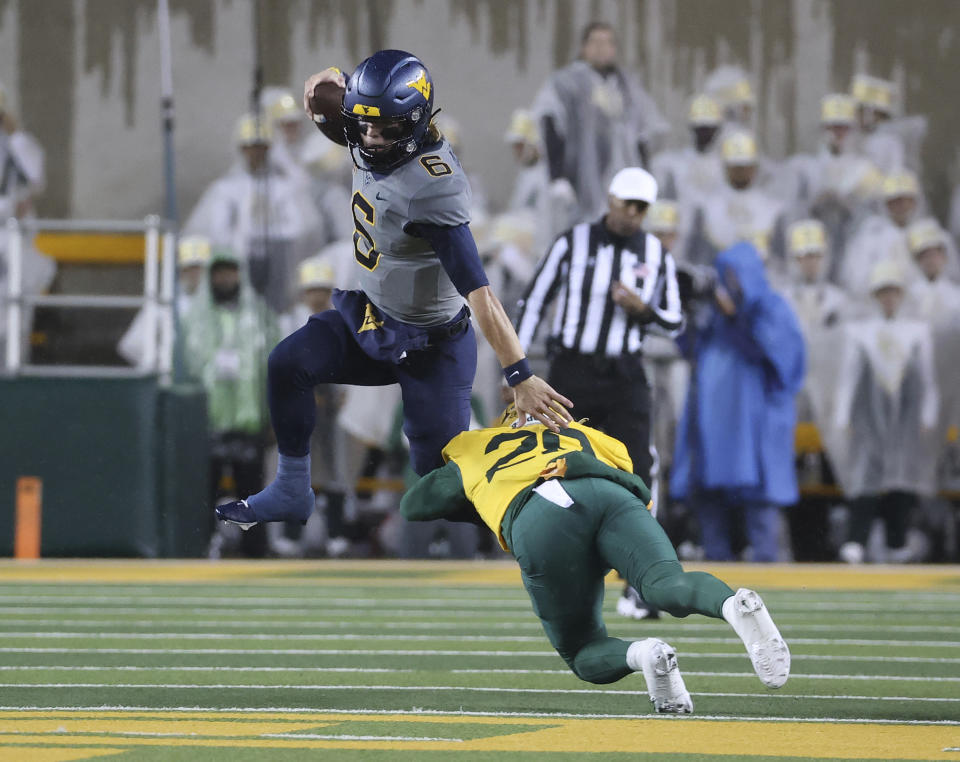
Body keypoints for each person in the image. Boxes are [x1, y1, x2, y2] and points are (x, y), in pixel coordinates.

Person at [216, 50, 572, 529]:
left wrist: (520, 374)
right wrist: (327, 79)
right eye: (364, 125)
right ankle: (292, 488)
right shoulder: (373, 126)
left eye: (384, 129)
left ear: (414, 122)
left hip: (433, 342)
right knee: (288, 363)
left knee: (435, 491)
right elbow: (333, 101)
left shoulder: (433, 188)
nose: (370, 138)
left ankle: (545, 515)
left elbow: (480, 292)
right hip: (373, 316)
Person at [399, 404, 791, 713]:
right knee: (665, 583)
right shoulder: (591, 436)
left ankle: (644, 654)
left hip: (538, 513)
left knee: (582, 651)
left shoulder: (478, 448)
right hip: (608, 495)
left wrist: (470, 485)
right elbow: (630, 480)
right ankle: (731, 605)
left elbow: (414, 505)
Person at [515, 166, 682, 619]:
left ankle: (641, 582)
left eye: (641, 206)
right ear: (609, 199)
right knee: (553, 469)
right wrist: (518, 371)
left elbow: (675, 319)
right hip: (571, 371)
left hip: (626, 373)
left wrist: (641, 309)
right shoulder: (573, 242)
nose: (632, 212)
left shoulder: (655, 252)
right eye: (626, 202)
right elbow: (534, 299)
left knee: (640, 470)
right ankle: (553, 573)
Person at [672, 242, 805, 563]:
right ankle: (716, 565)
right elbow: (685, 347)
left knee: (759, 502)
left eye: (735, 275)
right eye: (723, 275)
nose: (728, 283)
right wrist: (685, 309)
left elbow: (777, 360)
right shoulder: (712, 313)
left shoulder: (772, 308)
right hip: (711, 424)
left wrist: (736, 319)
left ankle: (768, 562)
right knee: (708, 497)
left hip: (753, 423)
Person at [830, 260, 939, 564]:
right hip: (869, 414)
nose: (889, 298)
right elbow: (848, 376)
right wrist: (843, 415)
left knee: (901, 478)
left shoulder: (916, 331)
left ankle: (897, 541)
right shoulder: (861, 332)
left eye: (893, 291)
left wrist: (928, 414)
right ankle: (856, 539)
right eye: (883, 292)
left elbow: (927, 378)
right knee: (865, 477)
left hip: (904, 416)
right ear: (875, 296)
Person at [181, 247, 279, 557]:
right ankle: (198, 546)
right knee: (201, 491)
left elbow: (276, 367)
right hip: (206, 420)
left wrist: (273, 415)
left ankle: (254, 552)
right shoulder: (193, 320)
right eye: (219, 272)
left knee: (251, 492)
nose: (225, 278)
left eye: (230, 271)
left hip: (248, 420)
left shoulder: (261, 317)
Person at [183, 113, 323, 313]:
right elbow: (218, 232)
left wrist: (272, 235)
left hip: (278, 270)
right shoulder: (225, 189)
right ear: (241, 149)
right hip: (239, 269)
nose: (256, 153)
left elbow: (300, 227)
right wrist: (244, 236)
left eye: (261, 147)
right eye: (250, 147)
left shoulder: (284, 188)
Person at [533, 21, 667, 224]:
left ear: (614, 48)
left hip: (622, 179)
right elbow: (551, 121)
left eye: (607, 42)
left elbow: (643, 136)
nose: (601, 48)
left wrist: (645, 179)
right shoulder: (567, 83)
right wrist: (557, 176)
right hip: (580, 181)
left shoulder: (628, 88)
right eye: (595, 42)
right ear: (583, 47)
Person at [685, 131, 788, 277]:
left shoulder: (772, 209)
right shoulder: (705, 208)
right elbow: (695, 259)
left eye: (745, 166)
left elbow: (780, 263)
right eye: (735, 167)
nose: (740, 172)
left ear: (755, 167)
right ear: (725, 167)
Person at [117, 235, 211, 367]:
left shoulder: (218, 305)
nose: (195, 274)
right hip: (170, 378)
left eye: (199, 268)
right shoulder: (164, 303)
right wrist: (162, 361)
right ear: (181, 271)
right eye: (189, 269)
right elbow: (131, 345)